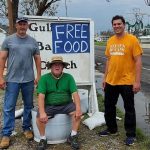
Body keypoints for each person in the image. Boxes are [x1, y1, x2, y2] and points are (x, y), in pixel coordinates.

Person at [98, 15, 143, 146]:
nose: (117, 26)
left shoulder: (132, 40)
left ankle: (131, 135)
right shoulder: (110, 41)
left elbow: (138, 61)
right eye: (114, 24)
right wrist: (105, 77)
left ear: (124, 25)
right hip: (111, 80)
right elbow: (108, 60)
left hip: (127, 81)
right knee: (108, 106)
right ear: (112, 26)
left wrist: (137, 81)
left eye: (119, 24)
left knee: (129, 108)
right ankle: (112, 129)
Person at [0, 17, 41, 149]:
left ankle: (26, 128)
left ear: (27, 26)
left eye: (24, 24)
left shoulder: (33, 42)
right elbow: (2, 58)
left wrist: (39, 76)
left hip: (28, 80)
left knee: (29, 105)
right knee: (9, 107)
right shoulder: (8, 40)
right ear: (16, 25)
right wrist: (0, 77)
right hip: (12, 80)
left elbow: (38, 59)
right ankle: (6, 133)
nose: (22, 26)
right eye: (20, 24)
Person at [36, 56, 82, 150]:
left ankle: (72, 136)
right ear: (51, 67)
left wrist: (78, 108)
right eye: (54, 64)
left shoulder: (69, 77)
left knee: (78, 114)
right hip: (50, 105)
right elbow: (41, 96)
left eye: (59, 64)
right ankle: (43, 139)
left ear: (63, 66)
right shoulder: (44, 78)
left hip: (67, 104)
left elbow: (75, 93)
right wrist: (42, 112)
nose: (57, 66)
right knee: (39, 118)